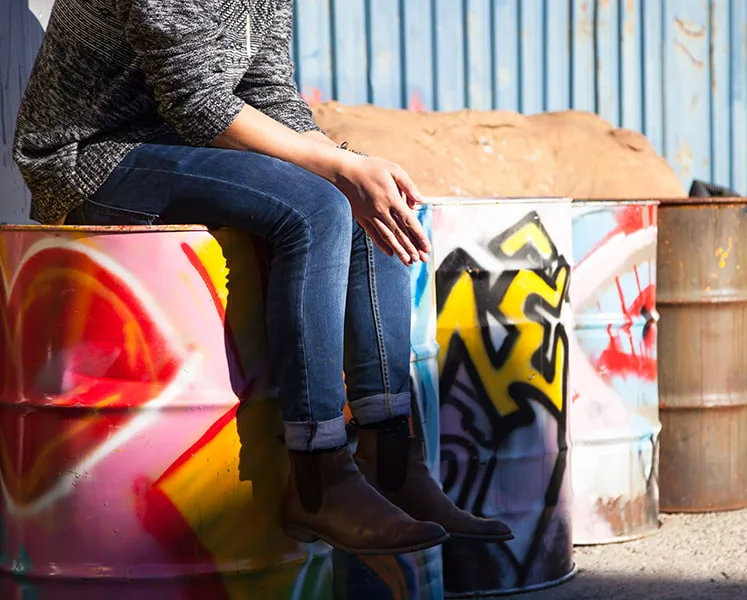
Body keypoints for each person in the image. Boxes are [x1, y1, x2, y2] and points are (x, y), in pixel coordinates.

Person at [14, 0, 512, 555]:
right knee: (318, 206)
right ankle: (320, 479)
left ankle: (392, 462)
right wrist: (338, 168)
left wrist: (350, 163)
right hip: (93, 157)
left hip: (183, 145)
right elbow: (198, 104)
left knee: (368, 196)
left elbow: (268, 89)